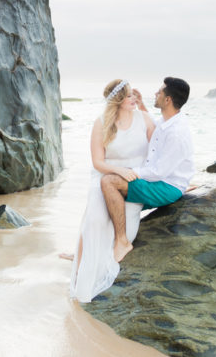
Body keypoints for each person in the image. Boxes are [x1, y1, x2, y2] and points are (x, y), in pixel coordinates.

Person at [66, 79, 155, 303]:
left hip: (132, 180)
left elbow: (160, 149)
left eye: (134, 95)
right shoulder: (102, 123)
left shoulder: (144, 119)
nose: (134, 99)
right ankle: (80, 273)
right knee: (95, 221)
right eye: (128, 97)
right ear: (117, 101)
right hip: (105, 175)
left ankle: (97, 260)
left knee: (127, 232)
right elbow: (97, 162)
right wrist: (118, 170)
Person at [101, 77, 195, 263]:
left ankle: (122, 242)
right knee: (102, 198)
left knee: (109, 182)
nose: (156, 93)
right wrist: (142, 105)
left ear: (167, 100)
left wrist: (126, 170)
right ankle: (92, 250)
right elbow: (155, 126)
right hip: (165, 181)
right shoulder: (169, 121)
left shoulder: (177, 133)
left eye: (160, 91)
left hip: (166, 186)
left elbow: (159, 172)